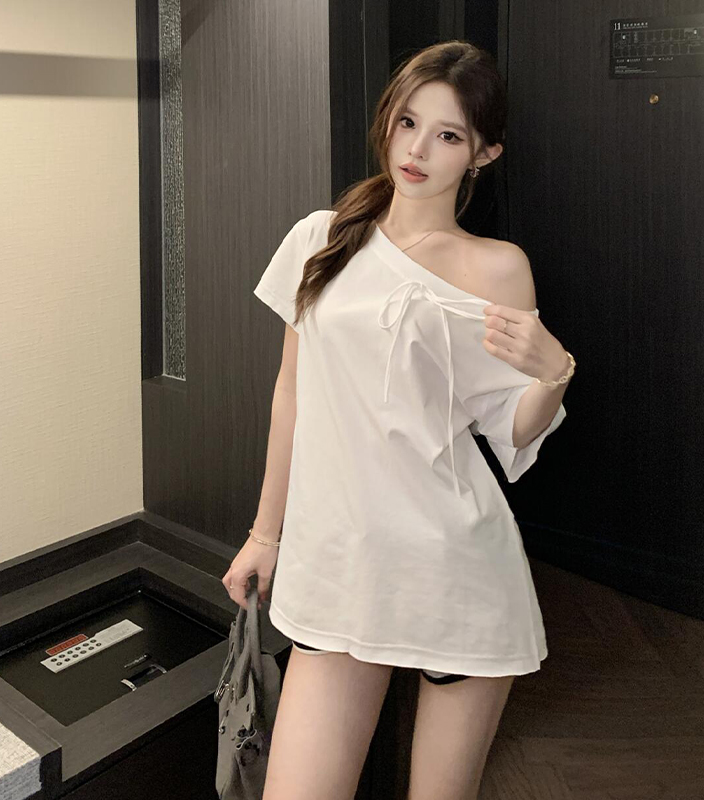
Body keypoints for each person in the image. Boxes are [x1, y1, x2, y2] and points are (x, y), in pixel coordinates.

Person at [222, 40, 574, 800]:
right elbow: (292, 390)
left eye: (447, 135)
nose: (416, 150)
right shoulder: (321, 238)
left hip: (454, 569)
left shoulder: (498, 266)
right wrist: (264, 534)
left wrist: (555, 374)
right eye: (407, 122)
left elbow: (512, 427)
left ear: (483, 153)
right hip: (342, 568)